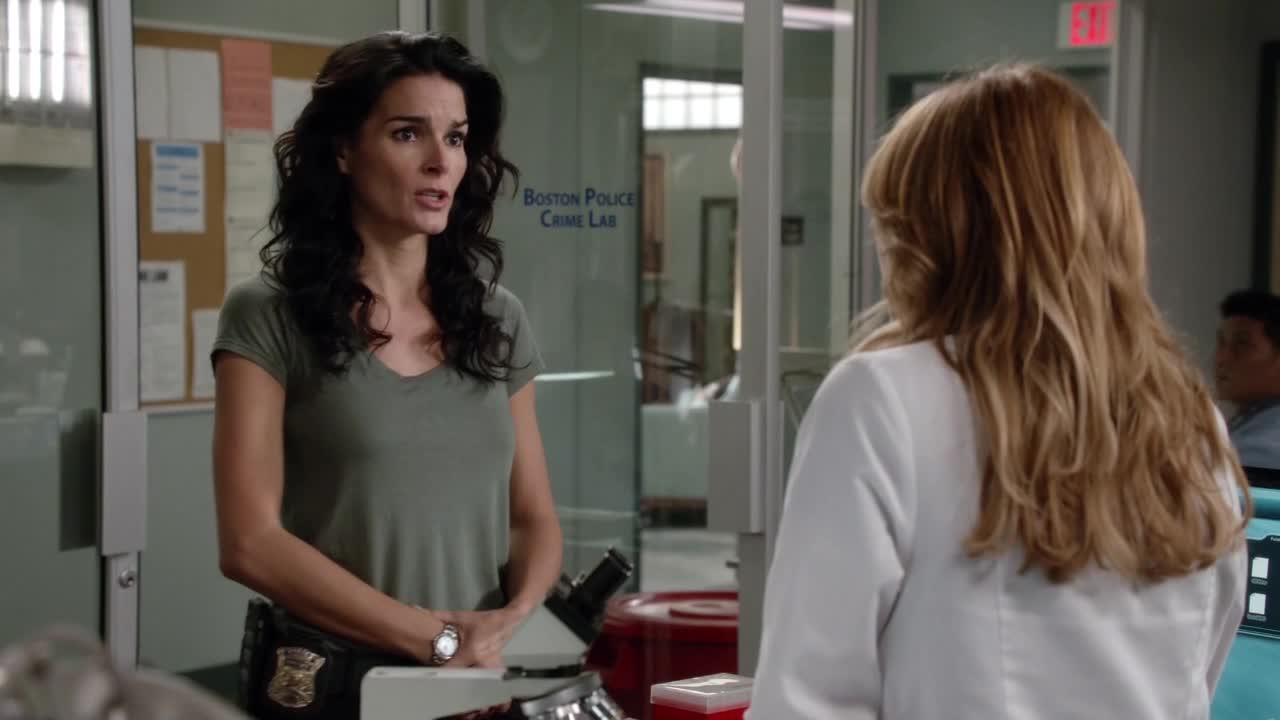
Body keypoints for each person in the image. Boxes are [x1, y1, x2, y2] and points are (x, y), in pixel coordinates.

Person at [748, 64, 1250, 719]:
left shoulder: (883, 399)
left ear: (931, 238)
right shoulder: (1188, 418)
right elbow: (1200, 670)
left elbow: (802, 701)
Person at [210, 31, 563, 718]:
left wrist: (511, 627)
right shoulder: (268, 314)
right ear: (343, 150)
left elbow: (532, 518)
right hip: (339, 692)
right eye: (408, 134)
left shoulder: (498, 317)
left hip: (482, 693)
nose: (441, 161)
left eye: (456, 138)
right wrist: (439, 643)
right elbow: (250, 543)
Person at [1216, 290, 1280, 469]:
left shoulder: (1266, 446)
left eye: (1242, 344)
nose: (1222, 358)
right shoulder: (1250, 421)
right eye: (1221, 342)